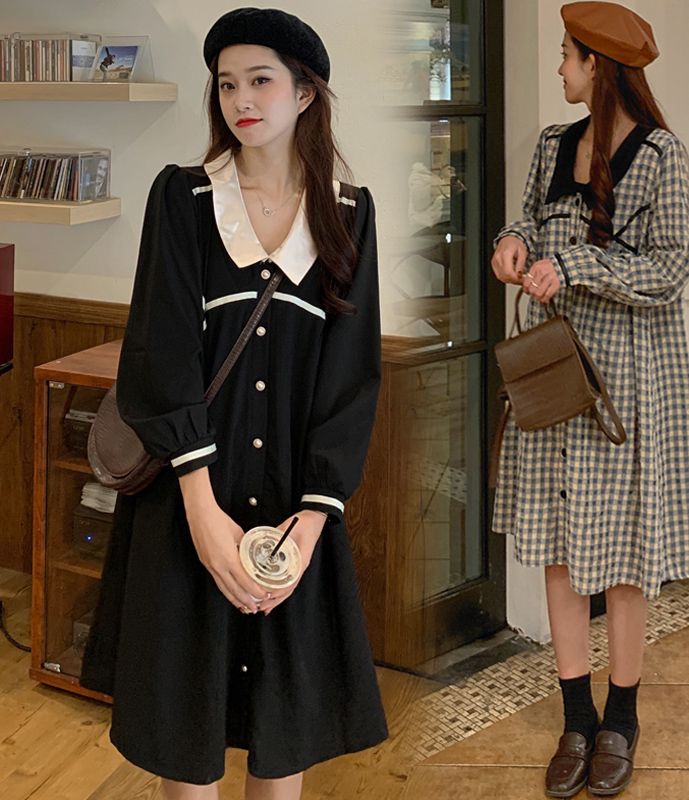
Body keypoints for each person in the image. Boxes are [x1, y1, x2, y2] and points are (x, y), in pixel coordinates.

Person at [81, 8, 387, 800]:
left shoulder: (349, 214)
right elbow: (159, 352)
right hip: (190, 505)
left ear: (305, 93)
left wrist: (311, 522)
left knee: (282, 737)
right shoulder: (184, 198)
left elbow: (350, 379)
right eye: (226, 85)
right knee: (189, 734)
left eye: (260, 81)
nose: (241, 100)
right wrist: (202, 510)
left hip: (291, 515)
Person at [491, 2, 689, 797]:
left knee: (622, 556)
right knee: (559, 546)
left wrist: (579, 264)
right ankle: (576, 717)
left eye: (568, 55)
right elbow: (526, 220)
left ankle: (621, 718)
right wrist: (512, 243)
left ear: (599, 66)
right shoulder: (554, 144)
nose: (559, 68)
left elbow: (672, 268)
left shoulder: (662, 155)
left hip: (627, 386)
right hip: (554, 374)